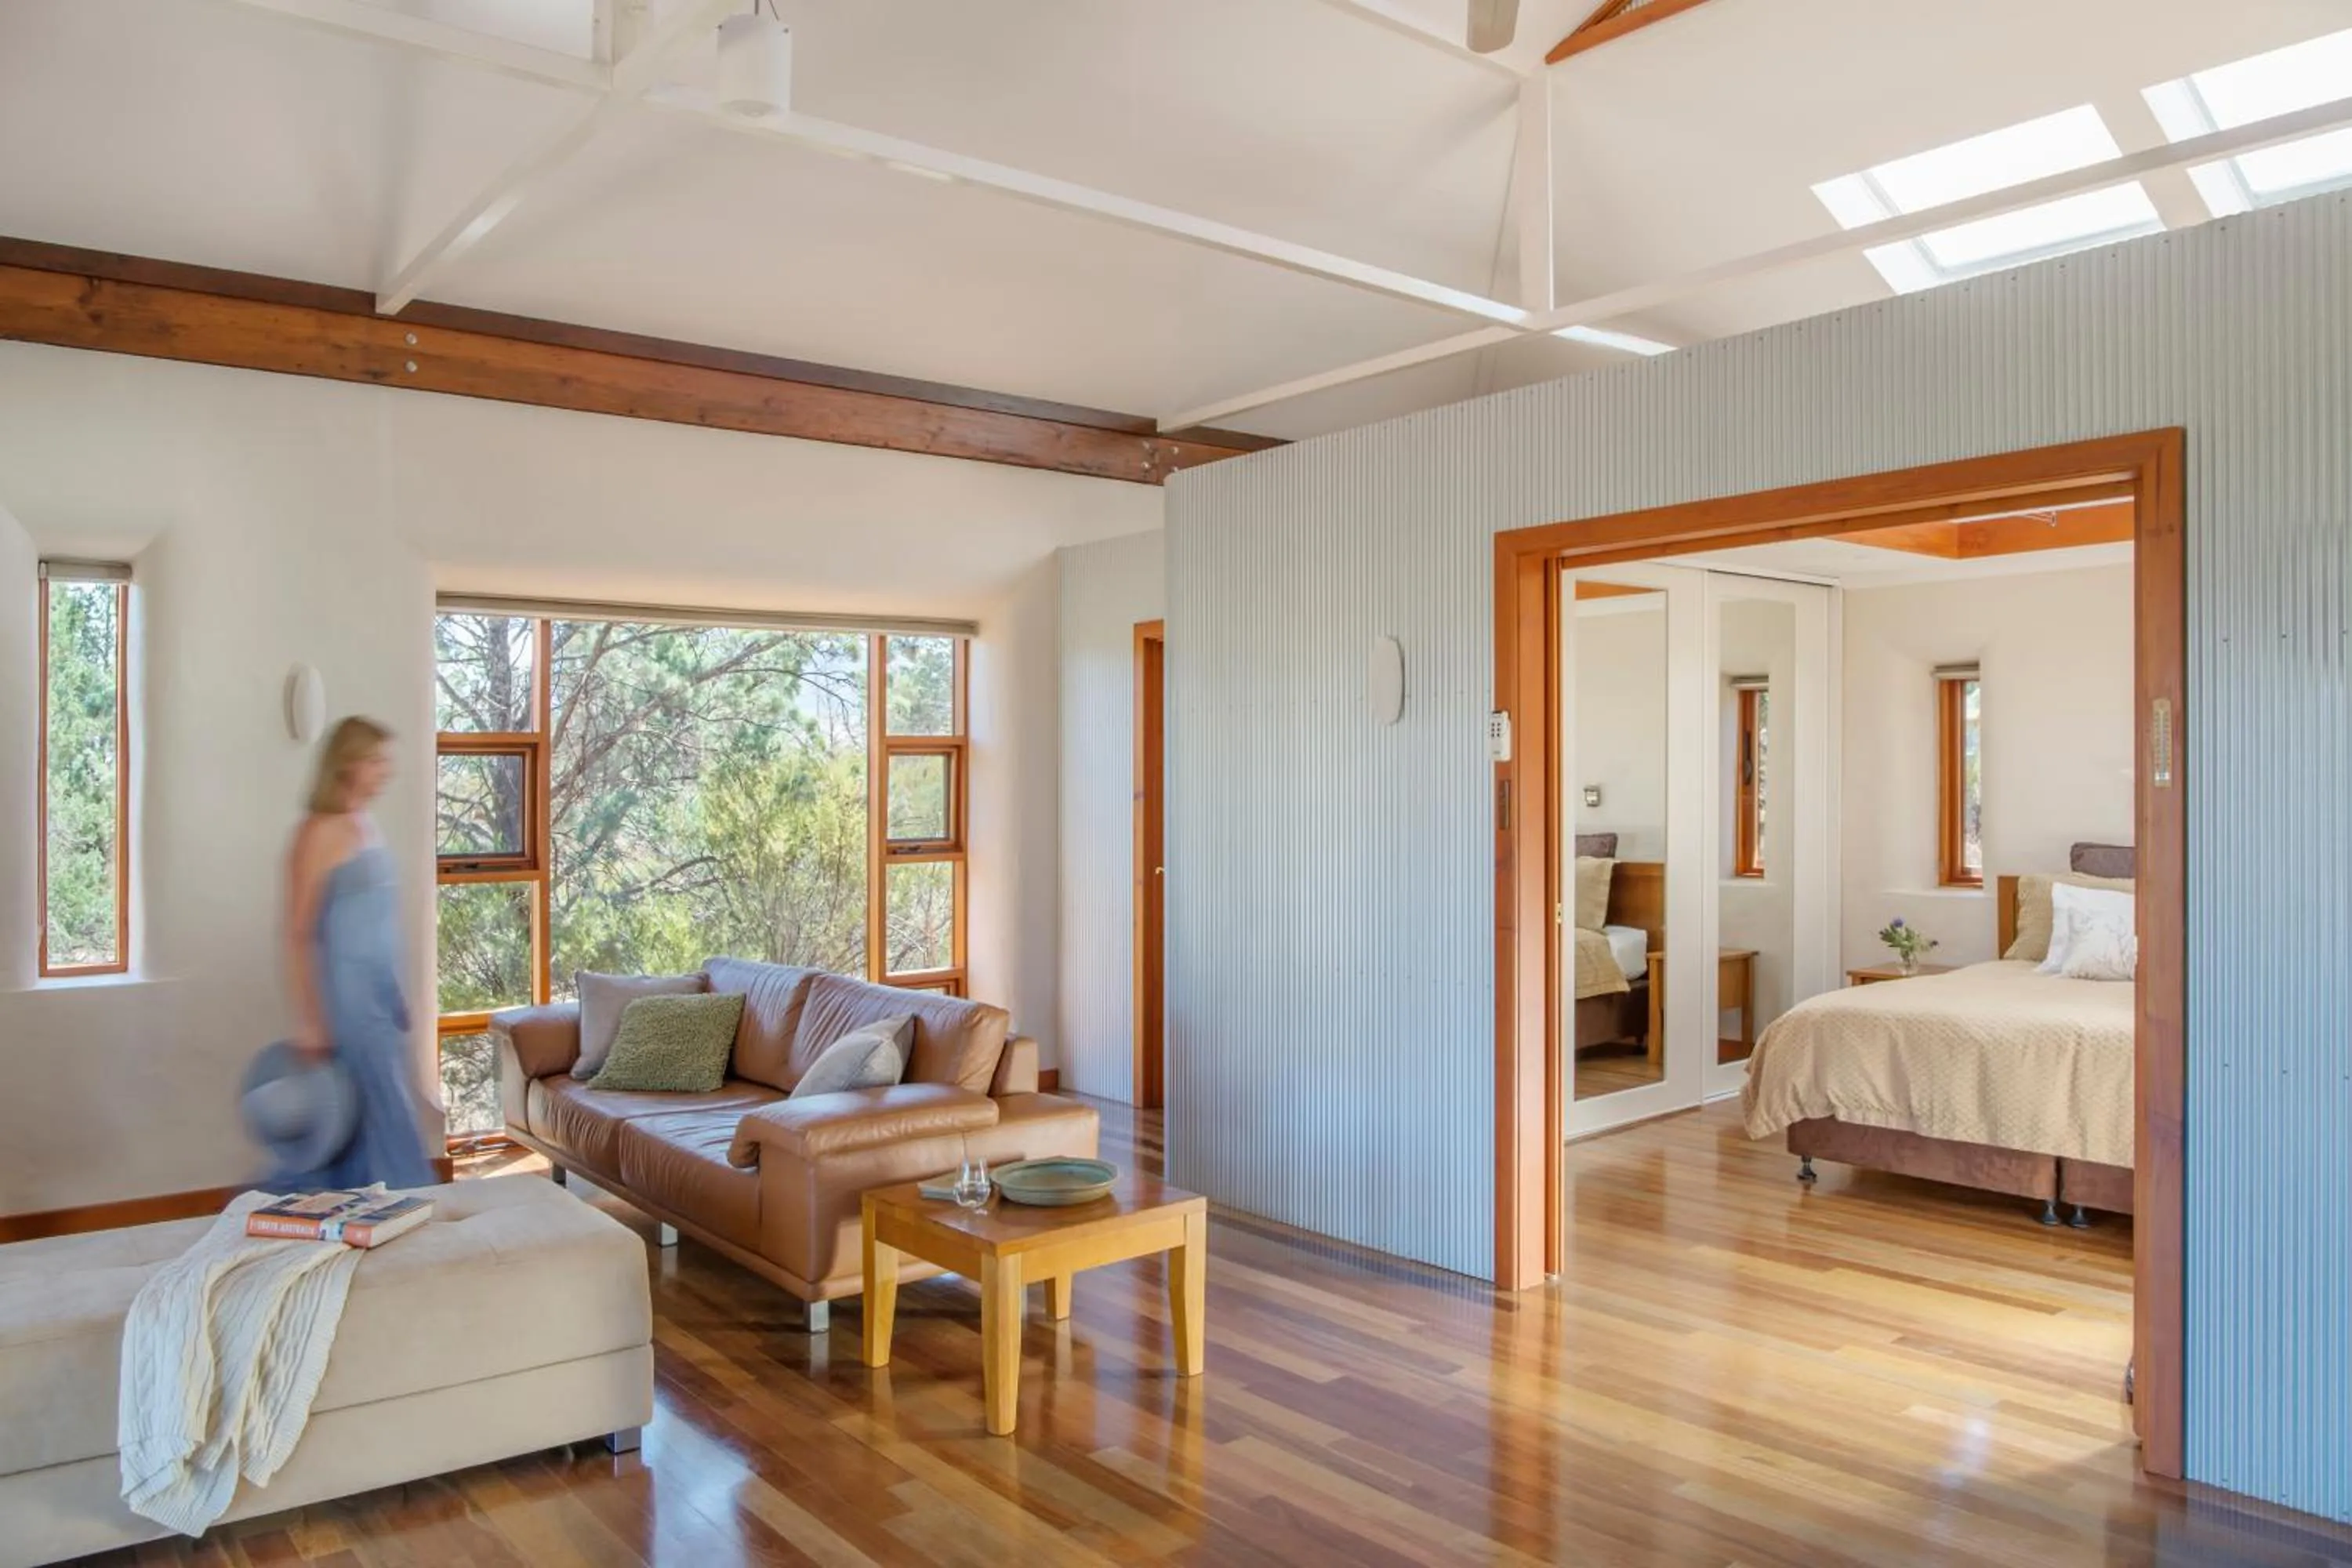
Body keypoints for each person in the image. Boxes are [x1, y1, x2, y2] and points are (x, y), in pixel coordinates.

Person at [278, 716, 435, 1191]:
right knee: (375, 1111)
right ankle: (398, 1208)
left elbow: (379, 922)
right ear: (348, 765)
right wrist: (310, 1020)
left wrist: (397, 993)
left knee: (375, 1114)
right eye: (375, 760)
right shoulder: (317, 832)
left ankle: (377, 1218)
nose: (385, 770)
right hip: (345, 998)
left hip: (378, 996)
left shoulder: (364, 825)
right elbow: (298, 934)